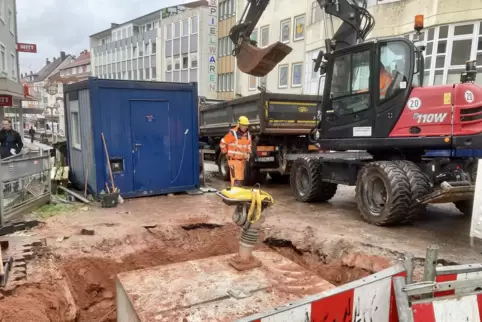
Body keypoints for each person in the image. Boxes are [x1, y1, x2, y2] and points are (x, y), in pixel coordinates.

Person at [219, 116, 252, 187]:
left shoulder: (248, 134)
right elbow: (222, 143)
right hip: (233, 161)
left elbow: (249, 145)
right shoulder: (233, 133)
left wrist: (248, 153)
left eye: (246, 125)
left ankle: (237, 194)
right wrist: (225, 153)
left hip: (241, 161)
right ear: (239, 124)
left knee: (240, 179)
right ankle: (234, 194)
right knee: (235, 180)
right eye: (243, 125)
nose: (245, 127)